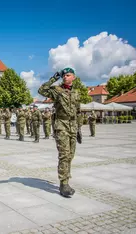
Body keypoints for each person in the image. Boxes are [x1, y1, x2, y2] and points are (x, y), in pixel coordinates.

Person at [38, 67, 82, 198]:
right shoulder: (57, 91)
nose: (65, 77)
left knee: (71, 155)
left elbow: (78, 111)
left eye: (68, 75)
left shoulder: (77, 92)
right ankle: (64, 184)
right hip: (61, 125)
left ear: (73, 77)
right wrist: (53, 78)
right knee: (64, 155)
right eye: (63, 76)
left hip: (73, 126)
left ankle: (66, 178)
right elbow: (41, 90)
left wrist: (79, 128)